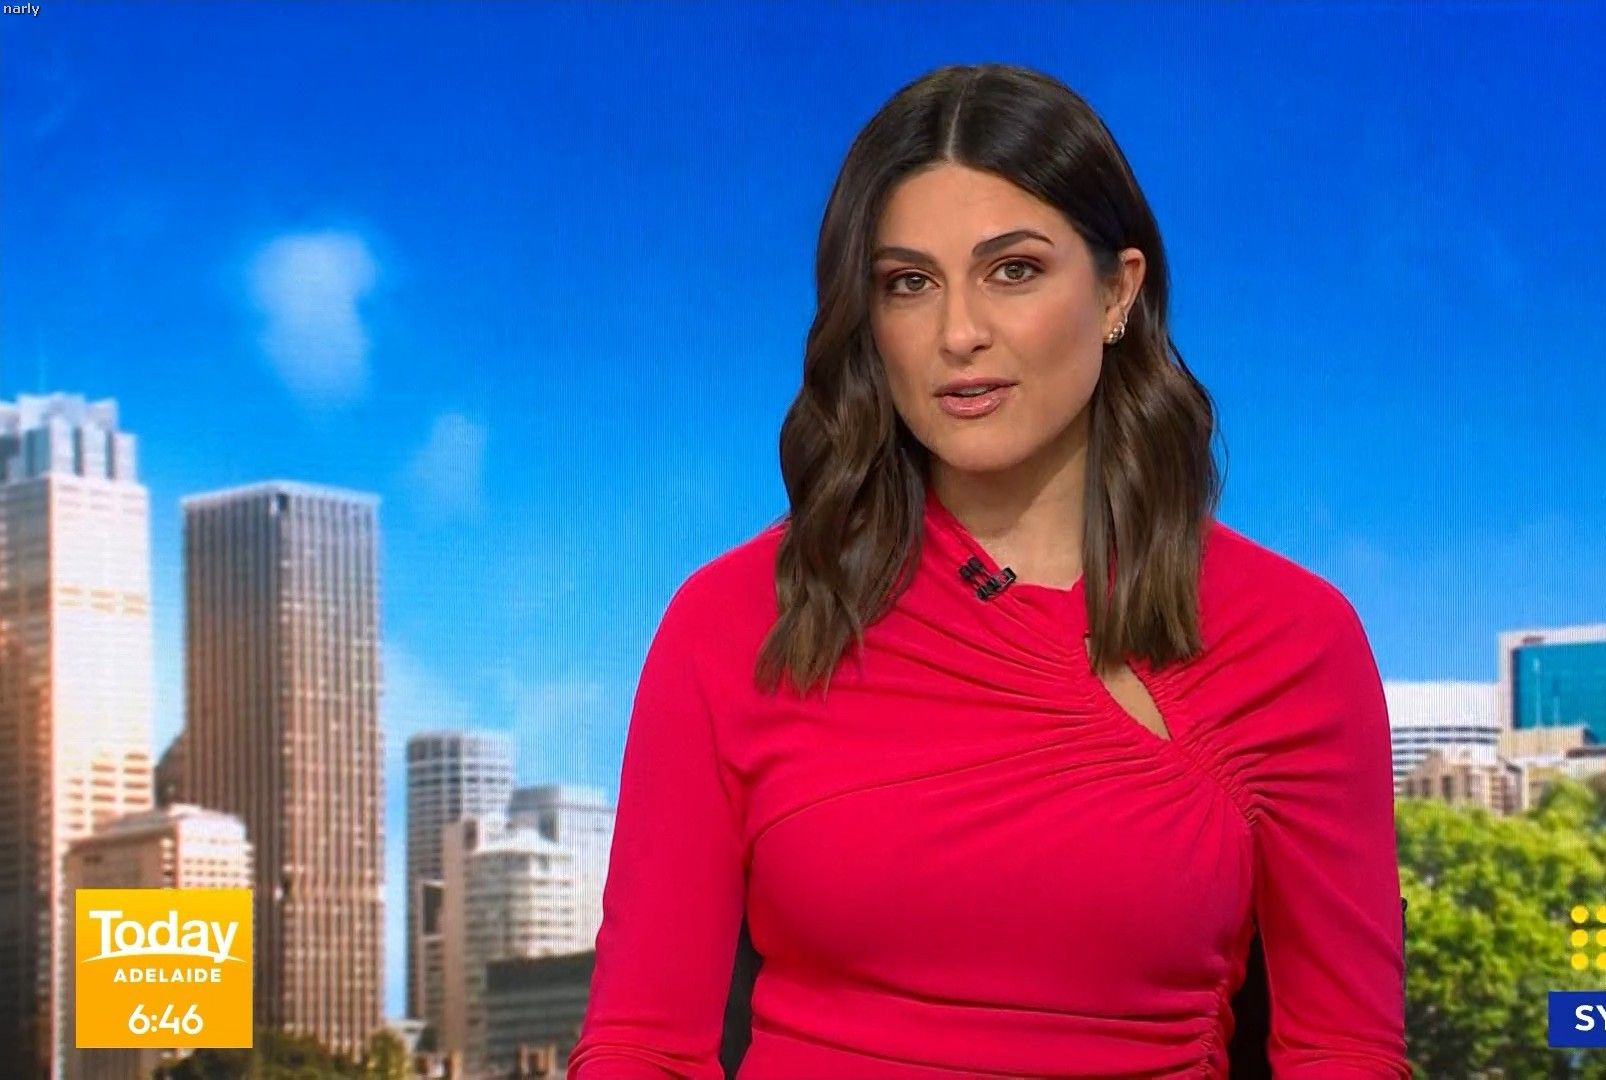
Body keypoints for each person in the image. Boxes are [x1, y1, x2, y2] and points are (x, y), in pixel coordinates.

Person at [569, 62, 1410, 1080]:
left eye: (1012, 270)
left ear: (1118, 292)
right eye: (909, 284)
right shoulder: (739, 619)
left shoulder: (1292, 639)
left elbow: (1341, 1050)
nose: (959, 333)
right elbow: (642, 1046)